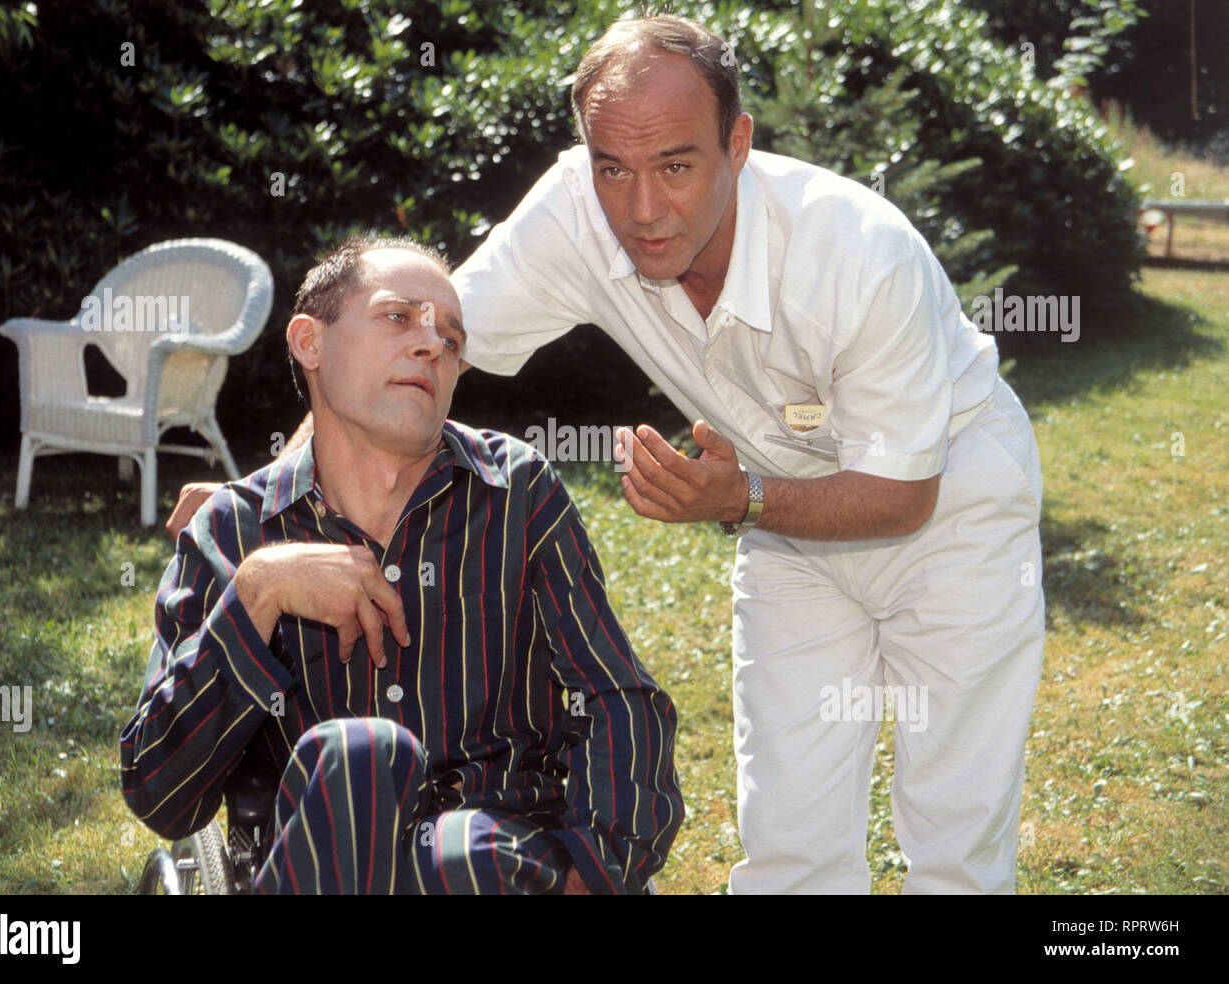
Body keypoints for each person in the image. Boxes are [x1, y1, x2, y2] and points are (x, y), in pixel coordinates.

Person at [166, 15, 1044, 895]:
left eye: (676, 165)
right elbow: (414, 353)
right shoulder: (574, 215)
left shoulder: (859, 252)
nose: (642, 209)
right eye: (612, 167)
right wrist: (270, 494)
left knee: (953, 835)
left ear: (738, 144)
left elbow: (903, 495)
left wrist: (739, 502)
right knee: (790, 834)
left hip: (946, 508)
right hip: (780, 526)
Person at [124, 235, 683, 894]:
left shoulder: (517, 493)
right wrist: (261, 590)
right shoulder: (236, 532)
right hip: (318, 859)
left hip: (498, 859)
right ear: (310, 342)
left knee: (462, 855)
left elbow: (615, 694)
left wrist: (594, 869)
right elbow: (163, 795)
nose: (433, 345)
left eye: (451, 337)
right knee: (362, 758)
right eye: (398, 317)